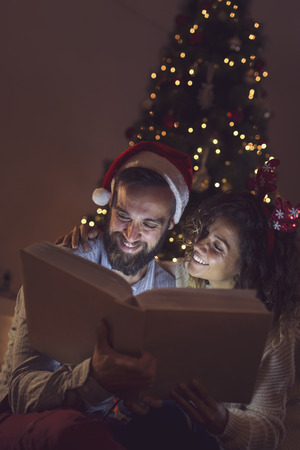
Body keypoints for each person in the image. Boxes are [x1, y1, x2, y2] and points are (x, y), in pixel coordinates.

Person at [63, 159, 300, 450]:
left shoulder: (277, 332)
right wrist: (94, 239)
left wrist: (223, 421)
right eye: (204, 233)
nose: (199, 245)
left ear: (246, 267)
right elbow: (134, 260)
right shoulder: (181, 277)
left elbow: (269, 431)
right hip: (154, 423)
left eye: (217, 246)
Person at [0, 141, 194, 449]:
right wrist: (94, 379)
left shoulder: (169, 292)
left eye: (149, 224)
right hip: (34, 420)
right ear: (109, 205)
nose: (131, 235)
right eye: (123, 215)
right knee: (74, 434)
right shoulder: (62, 265)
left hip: (116, 428)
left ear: (170, 224)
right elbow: (23, 393)